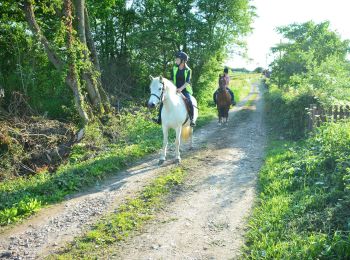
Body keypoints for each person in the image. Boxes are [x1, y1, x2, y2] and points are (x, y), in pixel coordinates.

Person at [153, 51, 196, 127]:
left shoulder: (188, 70)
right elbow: (172, 80)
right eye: (176, 59)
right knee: (164, 99)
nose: (176, 60)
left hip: (185, 89)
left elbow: (187, 82)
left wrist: (180, 89)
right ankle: (159, 118)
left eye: (177, 59)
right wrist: (170, 85)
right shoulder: (174, 68)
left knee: (189, 101)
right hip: (174, 88)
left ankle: (191, 119)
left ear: (183, 61)